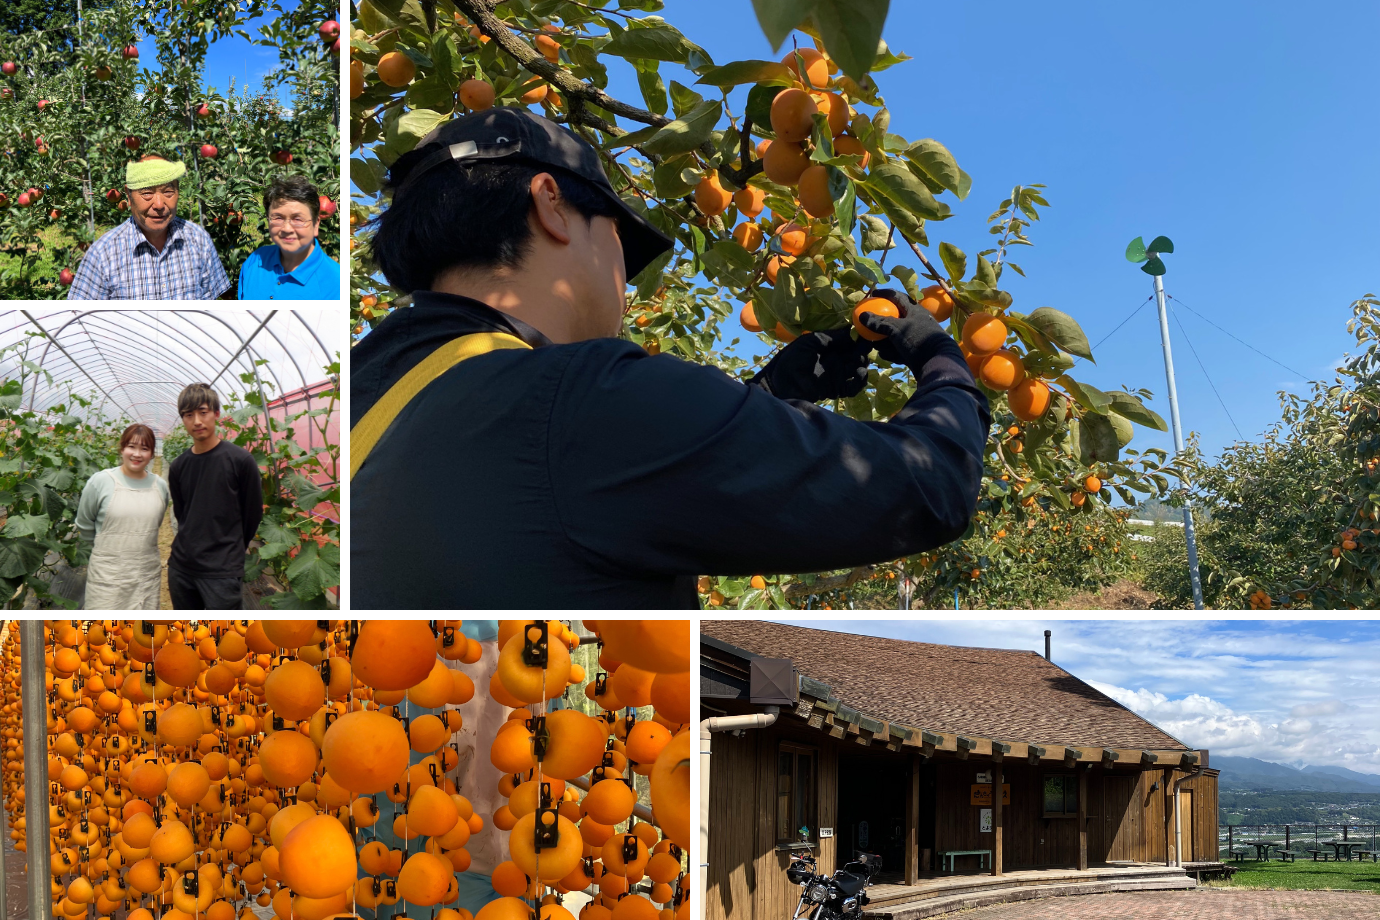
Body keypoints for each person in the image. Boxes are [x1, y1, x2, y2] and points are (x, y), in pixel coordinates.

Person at [350, 108, 990, 608]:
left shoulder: (362, 386)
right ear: (551, 205)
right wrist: (940, 358)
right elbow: (929, 484)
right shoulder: (591, 400)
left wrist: (768, 393)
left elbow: (575, 495)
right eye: (620, 242)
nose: (623, 280)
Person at [67, 155, 232, 300]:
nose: (159, 204)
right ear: (129, 196)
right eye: (147, 193)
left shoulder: (198, 240)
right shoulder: (103, 254)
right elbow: (78, 321)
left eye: (168, 191)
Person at [166, 383, 264, 610]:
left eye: (203, 412)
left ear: (216, 414)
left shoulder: (240, 460)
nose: (197, 421)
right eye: (189, 415)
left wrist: (229, 551)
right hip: (181, 568)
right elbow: (182, 514)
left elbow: (252, 514)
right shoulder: (179, 466)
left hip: (222, 572)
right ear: (183, 420)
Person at [74, 423, 170, 609]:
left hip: (145, 573)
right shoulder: (101, 481)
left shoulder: (160, 486)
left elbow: (153, 525)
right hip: (107, 576)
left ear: (152, 453)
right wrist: (107, 551)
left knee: (141, 633)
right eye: (131, 447)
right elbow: (85, 525)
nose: (137, 454)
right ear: (122, 448)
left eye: (144, 448)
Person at [237, 175, 341, 299]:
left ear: (316, 224)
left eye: (298, 219)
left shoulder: (336, 283)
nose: (287, 229)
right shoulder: (255, 261)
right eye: (278, 218)